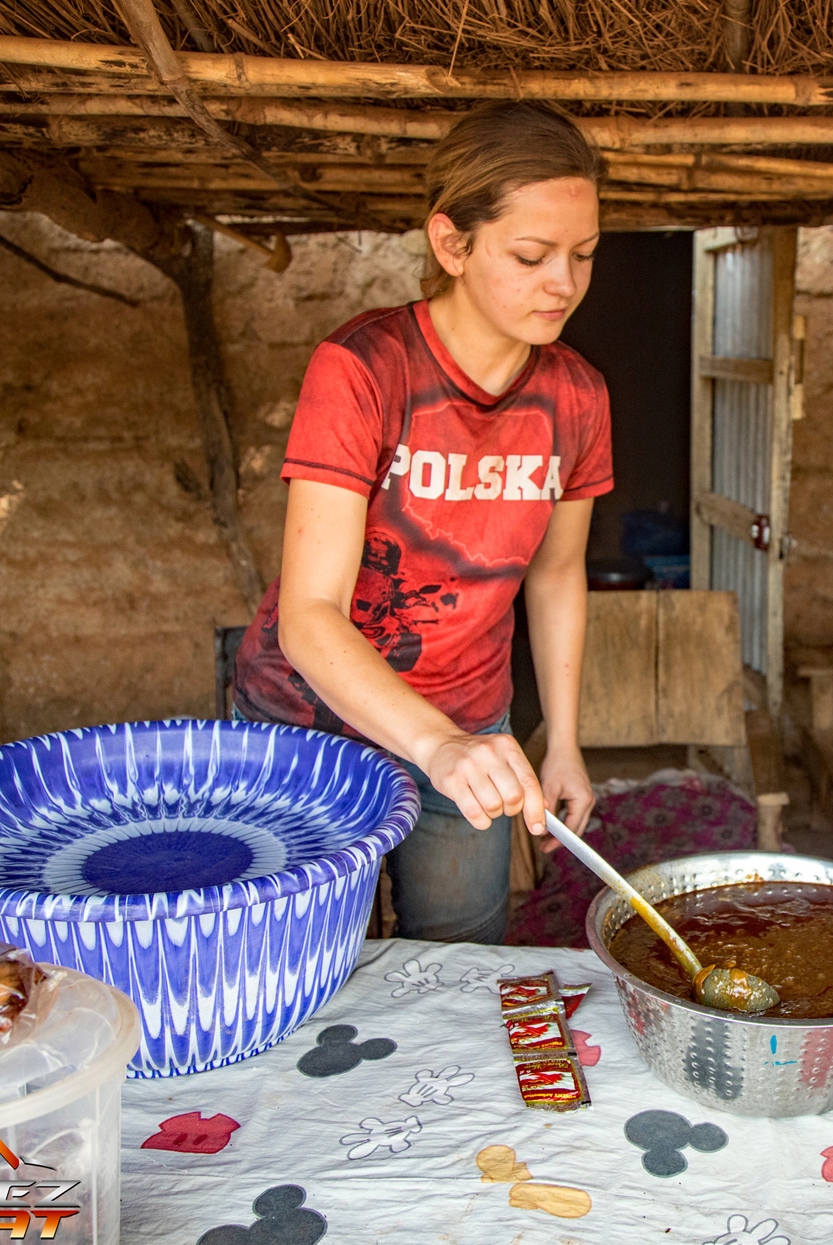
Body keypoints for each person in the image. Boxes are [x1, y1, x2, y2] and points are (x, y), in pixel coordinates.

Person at [234, 102, 612, 943]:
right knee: (309, 959)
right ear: (451, 243)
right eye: (532, 256)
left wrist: (561, 741)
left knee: (460, 957)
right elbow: (309, 614)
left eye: (584, 254)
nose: (564, 282)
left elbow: (556, 573)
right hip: (310, 721)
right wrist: (434, 745)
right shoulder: (364, 370)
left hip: (472, 721)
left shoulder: (578, 396)